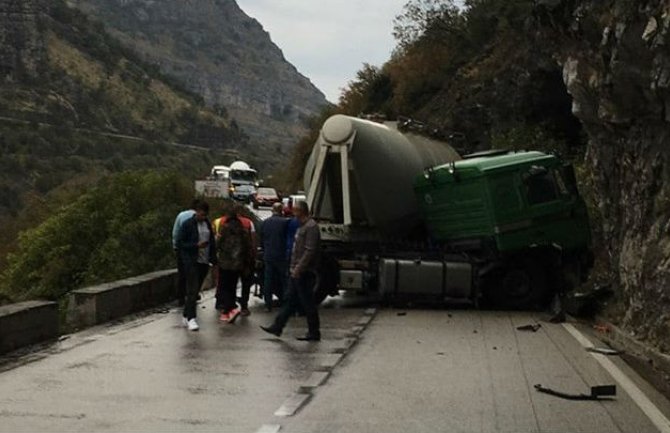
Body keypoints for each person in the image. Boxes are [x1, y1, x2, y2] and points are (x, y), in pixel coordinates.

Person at [261, 201, 321, 341]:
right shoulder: (302, 226)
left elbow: (309, 251)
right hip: (296, 270)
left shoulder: (311, 227)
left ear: (302, 211)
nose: (293, 214)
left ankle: (314, 332)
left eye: (296, 211)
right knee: (290, 300)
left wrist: (299, 268)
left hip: (304, 271)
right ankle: (278, 326)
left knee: (307, 302)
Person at [176, 201, 216, 331]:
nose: (202, 217)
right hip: (191, 261)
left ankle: (186, 314)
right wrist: (195, 246)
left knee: (196, 289)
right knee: (192, 290)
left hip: (204, 261)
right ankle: (191, 318)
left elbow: (212, 242)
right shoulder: (188, 224)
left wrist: (213, 259)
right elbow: (180, 243)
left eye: (204, 215)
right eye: (200, 214)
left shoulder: (207, 225)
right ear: (196, 212)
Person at [213, 205, 257, 316]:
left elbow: (217, 244)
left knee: (228, 285)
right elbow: (251, 244)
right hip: (241, 262)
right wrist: (251, 259)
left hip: (226, 263)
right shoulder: (246, 225)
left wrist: (215, 258)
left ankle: (228, 307)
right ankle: (244, 307)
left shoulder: (221, 224)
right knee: (245, 285)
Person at [260, 202, 289, 311]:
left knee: (268, 280)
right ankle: (286, 303)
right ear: (281, 211)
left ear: (272, 210)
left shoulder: (265, 223)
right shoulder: (285, 223)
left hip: (268, 255)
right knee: (284, 280)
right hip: (281, 255)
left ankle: (268, 304)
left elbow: (261, 239)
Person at [172, 199, 200, 306]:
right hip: (196, 249)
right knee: (193, 274)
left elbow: (175, 232)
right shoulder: (200, 217)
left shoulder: (181, 215)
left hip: (182, 249)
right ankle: (192, 294)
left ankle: (181, 297)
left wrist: (175, 246)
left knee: (182, 274)